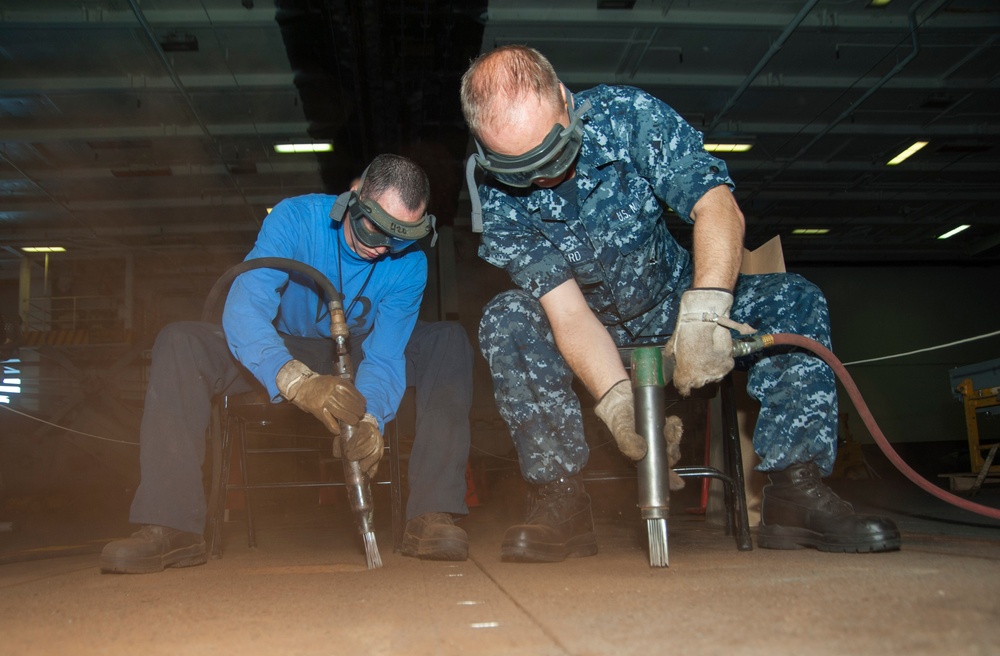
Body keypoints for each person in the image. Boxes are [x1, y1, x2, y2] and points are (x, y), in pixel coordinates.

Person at [459, 45, 900, 563]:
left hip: (678, 303)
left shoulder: (628, 116)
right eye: (520, 170)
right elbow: (569, 314)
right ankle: (561, 501)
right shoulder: (496, 194)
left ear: (563, 99)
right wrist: (622, 408)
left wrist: (706, 311)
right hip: (595, 335)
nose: (541, 179)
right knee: (506, 319)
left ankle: (794, 493)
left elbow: (717, 206)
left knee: (793, 296)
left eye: (553, 156)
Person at [101, 153, 474, 574]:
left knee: (447, 341)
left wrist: (369, 419)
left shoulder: (409, 265)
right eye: (375, 227)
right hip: (282, 347)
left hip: (358, 354)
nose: (384, 247)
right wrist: (293, 378)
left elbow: (386, 356)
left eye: (401, 237)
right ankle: (171, 527)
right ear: (354, 198)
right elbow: (245, 307)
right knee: (180, 341)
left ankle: (431, 517)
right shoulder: (296, 218)